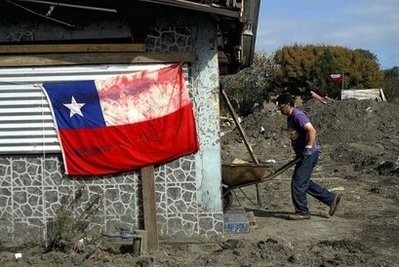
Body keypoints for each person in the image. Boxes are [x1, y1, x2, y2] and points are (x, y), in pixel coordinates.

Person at [276, 93, 341, 220]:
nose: (279, 108)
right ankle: (331, 198)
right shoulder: (290, 117)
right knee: (303, 182)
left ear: (288, 105)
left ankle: (302, 212)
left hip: (309, 154)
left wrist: (308, 148)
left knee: (298, 183)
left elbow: (312, 130)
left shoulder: (297, 115)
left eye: (281, 106)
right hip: (304, 154)